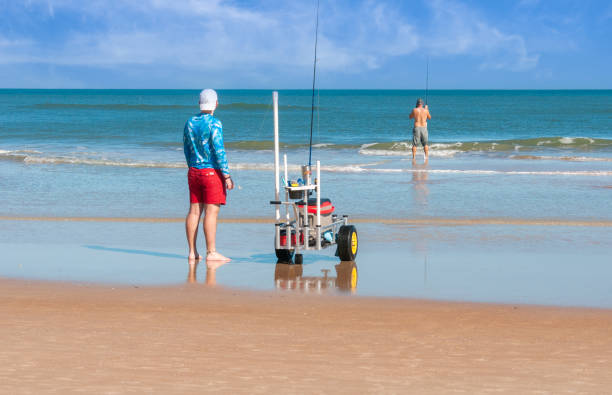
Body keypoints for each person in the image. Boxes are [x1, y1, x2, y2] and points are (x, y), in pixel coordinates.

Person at [184, 89, 234, 262]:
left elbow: (186, 148)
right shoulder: (215, 123)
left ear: (199, 103)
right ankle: (211, 252)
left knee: (194, 211)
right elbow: (219, 150)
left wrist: (192, 166)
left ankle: (192, 252)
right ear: (216, 104)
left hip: (194, 171)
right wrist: (227, 176)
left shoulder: (190, 122)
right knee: (211, 213)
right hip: (211, 173)